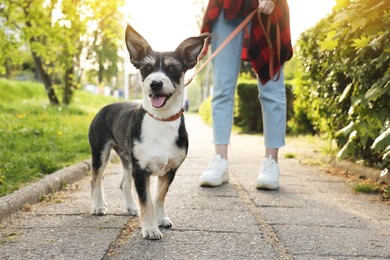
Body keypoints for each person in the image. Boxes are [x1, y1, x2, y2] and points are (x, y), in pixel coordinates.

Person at [199, 0, 293, 189]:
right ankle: (220, 160)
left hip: (269, 8)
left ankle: (271, 161)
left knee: (272, 90)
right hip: (226, 6)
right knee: (221, 89)